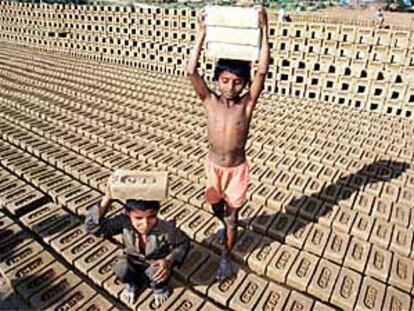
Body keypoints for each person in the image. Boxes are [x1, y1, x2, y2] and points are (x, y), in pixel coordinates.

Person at [186, 6, 270, 281]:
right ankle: (224, 220)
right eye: (225, 81)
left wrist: (264, 29)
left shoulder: (246, 106)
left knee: (233, 217)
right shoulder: (209, 101)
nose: (230, 87)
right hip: (213, 168)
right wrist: (201, 33)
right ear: (217, 80)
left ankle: (226, 256)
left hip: (236, 171)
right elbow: (190, 71)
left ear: (243, 84)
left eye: (236, 82)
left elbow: (261, 72)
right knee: (216, 206)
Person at [84, 186, 189, 307]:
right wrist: (107, 199)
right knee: (121, 267)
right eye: (138, 218)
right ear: (128, 214)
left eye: (151, 217)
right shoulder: (123, 222)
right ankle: (134, 283)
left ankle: (159, 287)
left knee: (158, 271)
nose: (145, 223)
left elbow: (183, 243)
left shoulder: (166, 228)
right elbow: (92, 227)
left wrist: (168, 261)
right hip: (133, 262)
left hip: (154, 264)